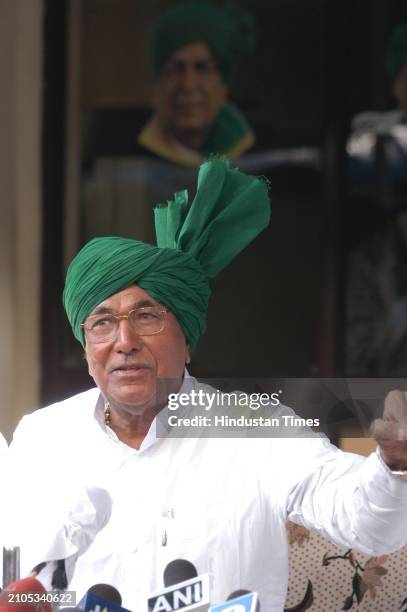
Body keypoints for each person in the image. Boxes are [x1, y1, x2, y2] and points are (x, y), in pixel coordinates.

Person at [5, 160, 407, 611]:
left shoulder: (256, 432)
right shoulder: (42, 439)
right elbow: (16, 576)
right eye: (102, 322)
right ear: (85, 349)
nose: (124, 342)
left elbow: (370, 525)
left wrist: (393, 465)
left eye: (146, 316)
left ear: (188, 340)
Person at [137, 0, 256, 166]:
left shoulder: (255, 153)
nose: (188, 85)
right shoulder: (128, 155)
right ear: (157, 86)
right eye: (175, 69)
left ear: (224, 85)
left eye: (203, 68)